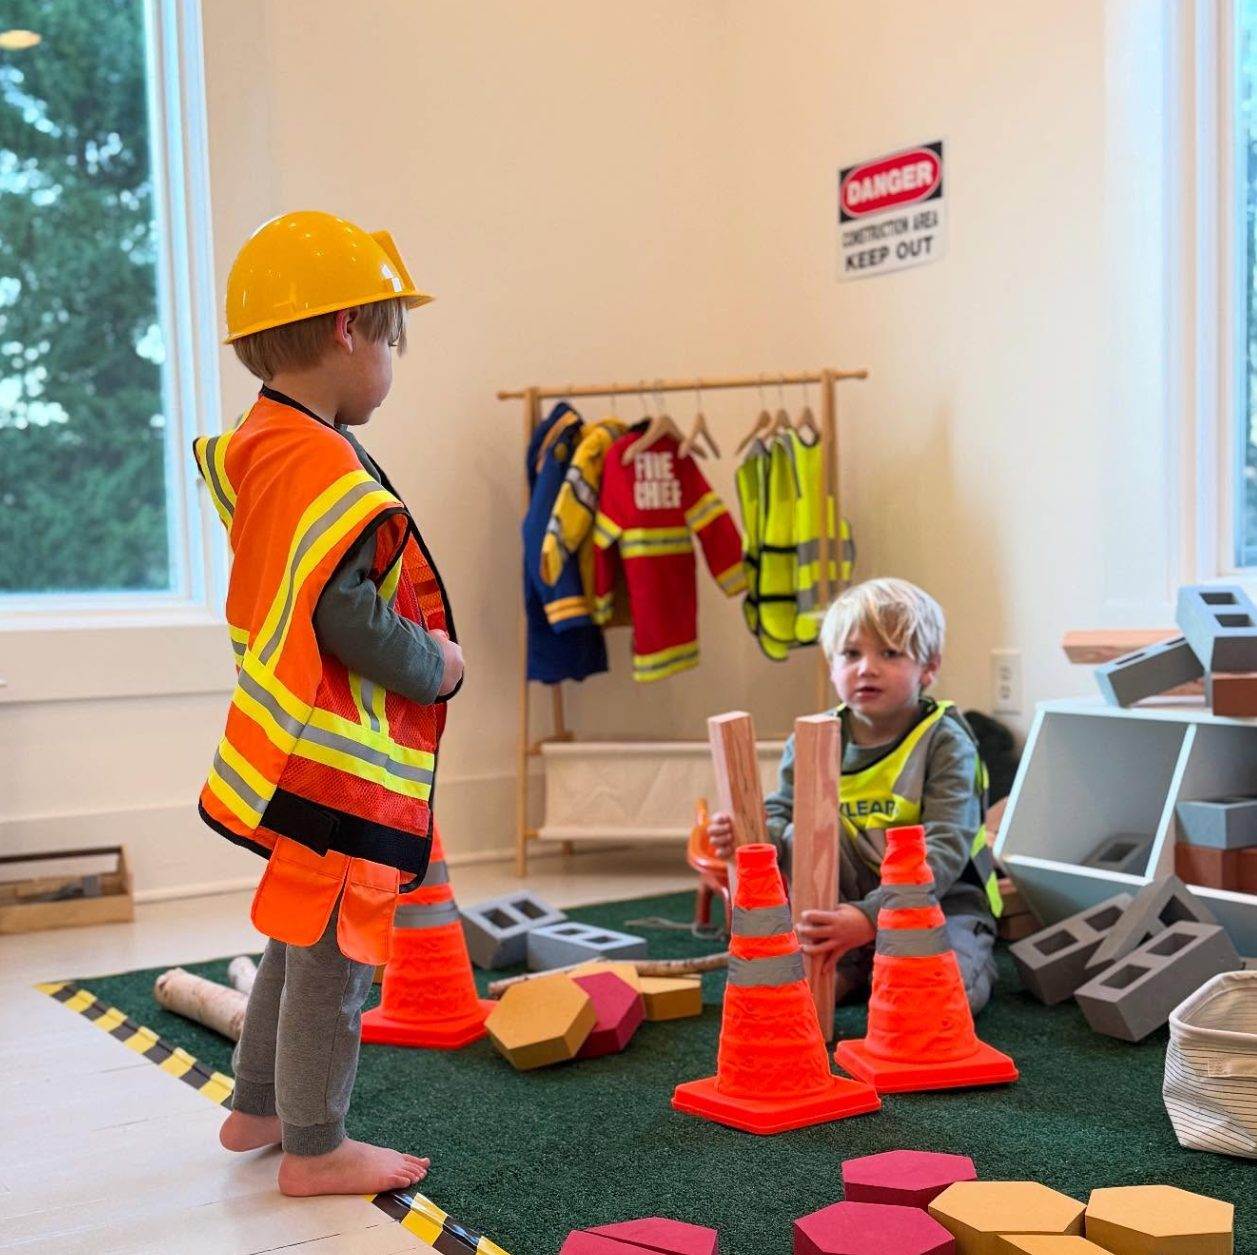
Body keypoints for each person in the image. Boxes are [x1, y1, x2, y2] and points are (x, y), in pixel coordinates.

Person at [194, 211, 463, 1197]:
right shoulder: (321, 462)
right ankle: (316, 1147)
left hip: (291, 755)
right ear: (349, 327)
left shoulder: (267, 441)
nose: (391, 363)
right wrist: (434, 665)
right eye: (391, 338)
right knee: (337, 952)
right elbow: (346, 611)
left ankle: (259, 1102)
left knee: (293, 927)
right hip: (337, 763)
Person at [708, 577, 1001, 1013]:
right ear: (831, 666)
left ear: (929, 667)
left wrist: (870, 917)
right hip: (837, 905)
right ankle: (856, 959)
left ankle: (871, 958)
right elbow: (781, 811)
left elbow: (943, 852)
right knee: (790, 834)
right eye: (851, 654)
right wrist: (748, 835)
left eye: (889, 653)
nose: (866, 667)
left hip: (940, 903)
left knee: (944, 998)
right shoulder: (813, 735)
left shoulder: (945, 742)